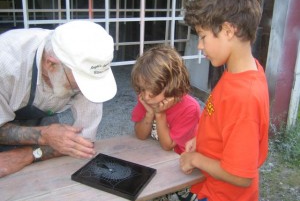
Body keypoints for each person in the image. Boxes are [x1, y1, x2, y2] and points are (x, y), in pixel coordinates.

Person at [179, 0, 269, 201]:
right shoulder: (240, 72)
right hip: (211, 186)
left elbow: (241, 176)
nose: (199, 46)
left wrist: (196, 159)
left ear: (228, 30)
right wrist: (200, 139)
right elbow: (220, 118)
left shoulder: (244, 96)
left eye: (203, 36)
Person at [0, 20, 117, 178]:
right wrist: (45, 135)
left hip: (43, 122)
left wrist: (31, 154)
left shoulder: (87, 65)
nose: (83, 91)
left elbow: (83, 142)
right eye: (76, 85)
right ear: (51, 65)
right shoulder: (6, 63)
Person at [131, 45, 201, 155]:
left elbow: (167, 145)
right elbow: (140, 135)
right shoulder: (147, 100)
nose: (146, 97)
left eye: (153, 91)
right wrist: (149, 114)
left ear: (171, 85)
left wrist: (160, 114)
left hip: (180, 158)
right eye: (142, 89)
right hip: (157, 153)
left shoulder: (189, 108)